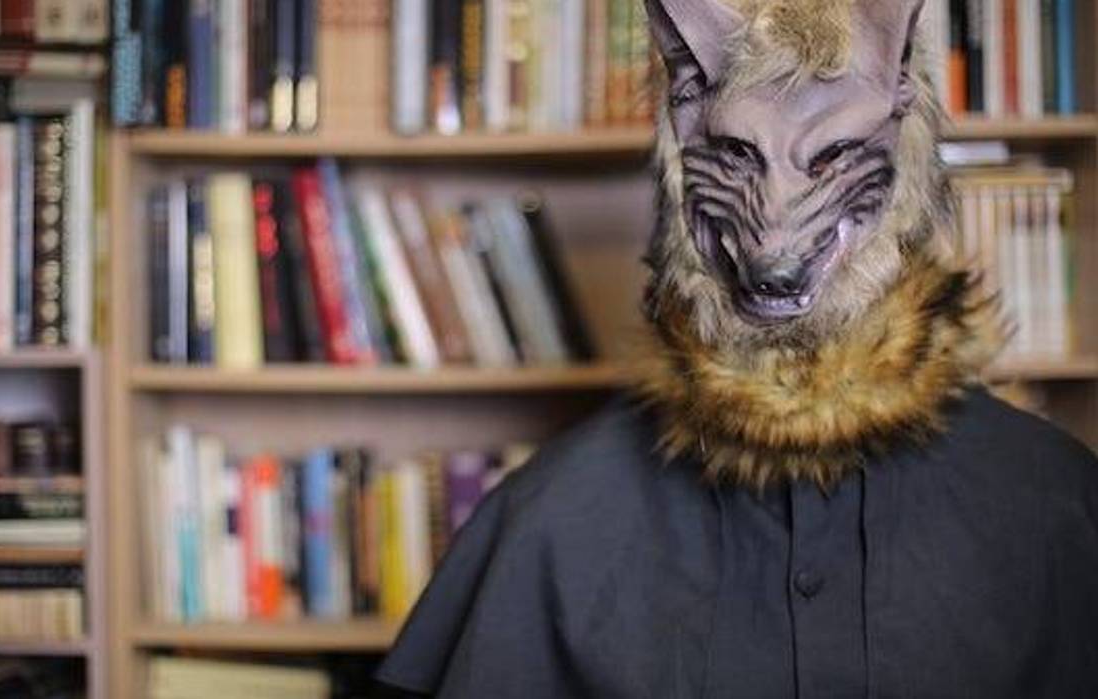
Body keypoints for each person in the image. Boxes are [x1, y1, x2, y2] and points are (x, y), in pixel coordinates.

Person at [374, 1, 1098, 696]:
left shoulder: (1058, 505)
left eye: (831, 153)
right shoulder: (551, 520)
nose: (776, 240)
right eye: (737, 154)